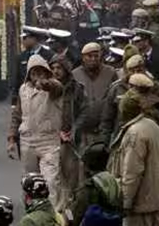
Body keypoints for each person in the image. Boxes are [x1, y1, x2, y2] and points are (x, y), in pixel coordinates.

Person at [107, 74, 159, 226]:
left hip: (140, 207)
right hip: (157, 203)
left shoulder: (134, 133)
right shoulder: (152, 125)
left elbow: (132, 172)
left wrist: (125, 203)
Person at [9, 54, 63, 208]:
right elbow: (16, 115)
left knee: (50, 182)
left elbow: (56, 88)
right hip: (27, 142)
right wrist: (11, 139)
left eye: (41, 73)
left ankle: (51, 217)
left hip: (49, 142)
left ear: (47, 72)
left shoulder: (54, 88)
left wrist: (45, 84)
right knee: (29, 182)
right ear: (28, 75)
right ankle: (32, 214)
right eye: (33, 73)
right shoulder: (23, 90)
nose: (37, 77)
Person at [49, 54, 87, 211]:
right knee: (53, 178)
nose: (56, 71)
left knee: (71, 179)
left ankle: (69, 213)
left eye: (59, 68)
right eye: (53, 68)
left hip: (69, 140)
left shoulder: (76, 88)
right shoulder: (48, 87)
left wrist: (74, 129)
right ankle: (54, 211)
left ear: (66, 69)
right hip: (50, 138)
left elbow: (84, 111)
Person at [65, 142, 122, 226]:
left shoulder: (88, 188)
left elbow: (74, 218)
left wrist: (67, 210)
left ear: (87, 166)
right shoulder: (114, 182)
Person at [72, 42, 118, 145]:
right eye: (89, 56)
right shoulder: (75, 74)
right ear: (83, 57)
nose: (93, 59)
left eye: (96, 56)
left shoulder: (110, 73)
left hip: (104, 129)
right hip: (82, 129)